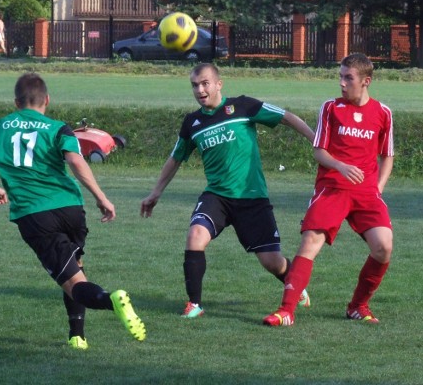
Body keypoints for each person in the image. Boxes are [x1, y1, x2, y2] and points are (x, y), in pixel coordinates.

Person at [0, 72, 146, 349]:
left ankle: (111, 299)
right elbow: (75, 160)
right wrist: (101, 197)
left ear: (16, 102)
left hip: (35, 215)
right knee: (76, 269)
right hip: (71, 209)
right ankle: (77, 337)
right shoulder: (58, 127)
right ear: (47, 99)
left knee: (73, 283)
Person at [140, 63, 316, 319]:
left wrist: (315, 139)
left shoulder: (244, 107)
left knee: (272, 262)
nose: (200, 90)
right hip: (217, 197)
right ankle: (195, 304)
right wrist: (155, 192)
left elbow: (286, 117)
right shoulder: (192, 122)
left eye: (205, 83)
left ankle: (293, 282)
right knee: (195, 237)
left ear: (218, 84)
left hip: (251, 198)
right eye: (194, 85)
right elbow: (175, 158)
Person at [263, 53, 394, 327]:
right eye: (340, 76)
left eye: (349, 78)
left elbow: (387, 156)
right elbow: (319, 151)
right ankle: (286, 310)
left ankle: (358, 306)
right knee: (310, 242)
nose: (342, 83)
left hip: (366, 194)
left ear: (366, 81)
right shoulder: (331, 109)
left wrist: (378, 188)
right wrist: (341, 166)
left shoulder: (383, 113)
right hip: (332, 188)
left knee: (383, 247)